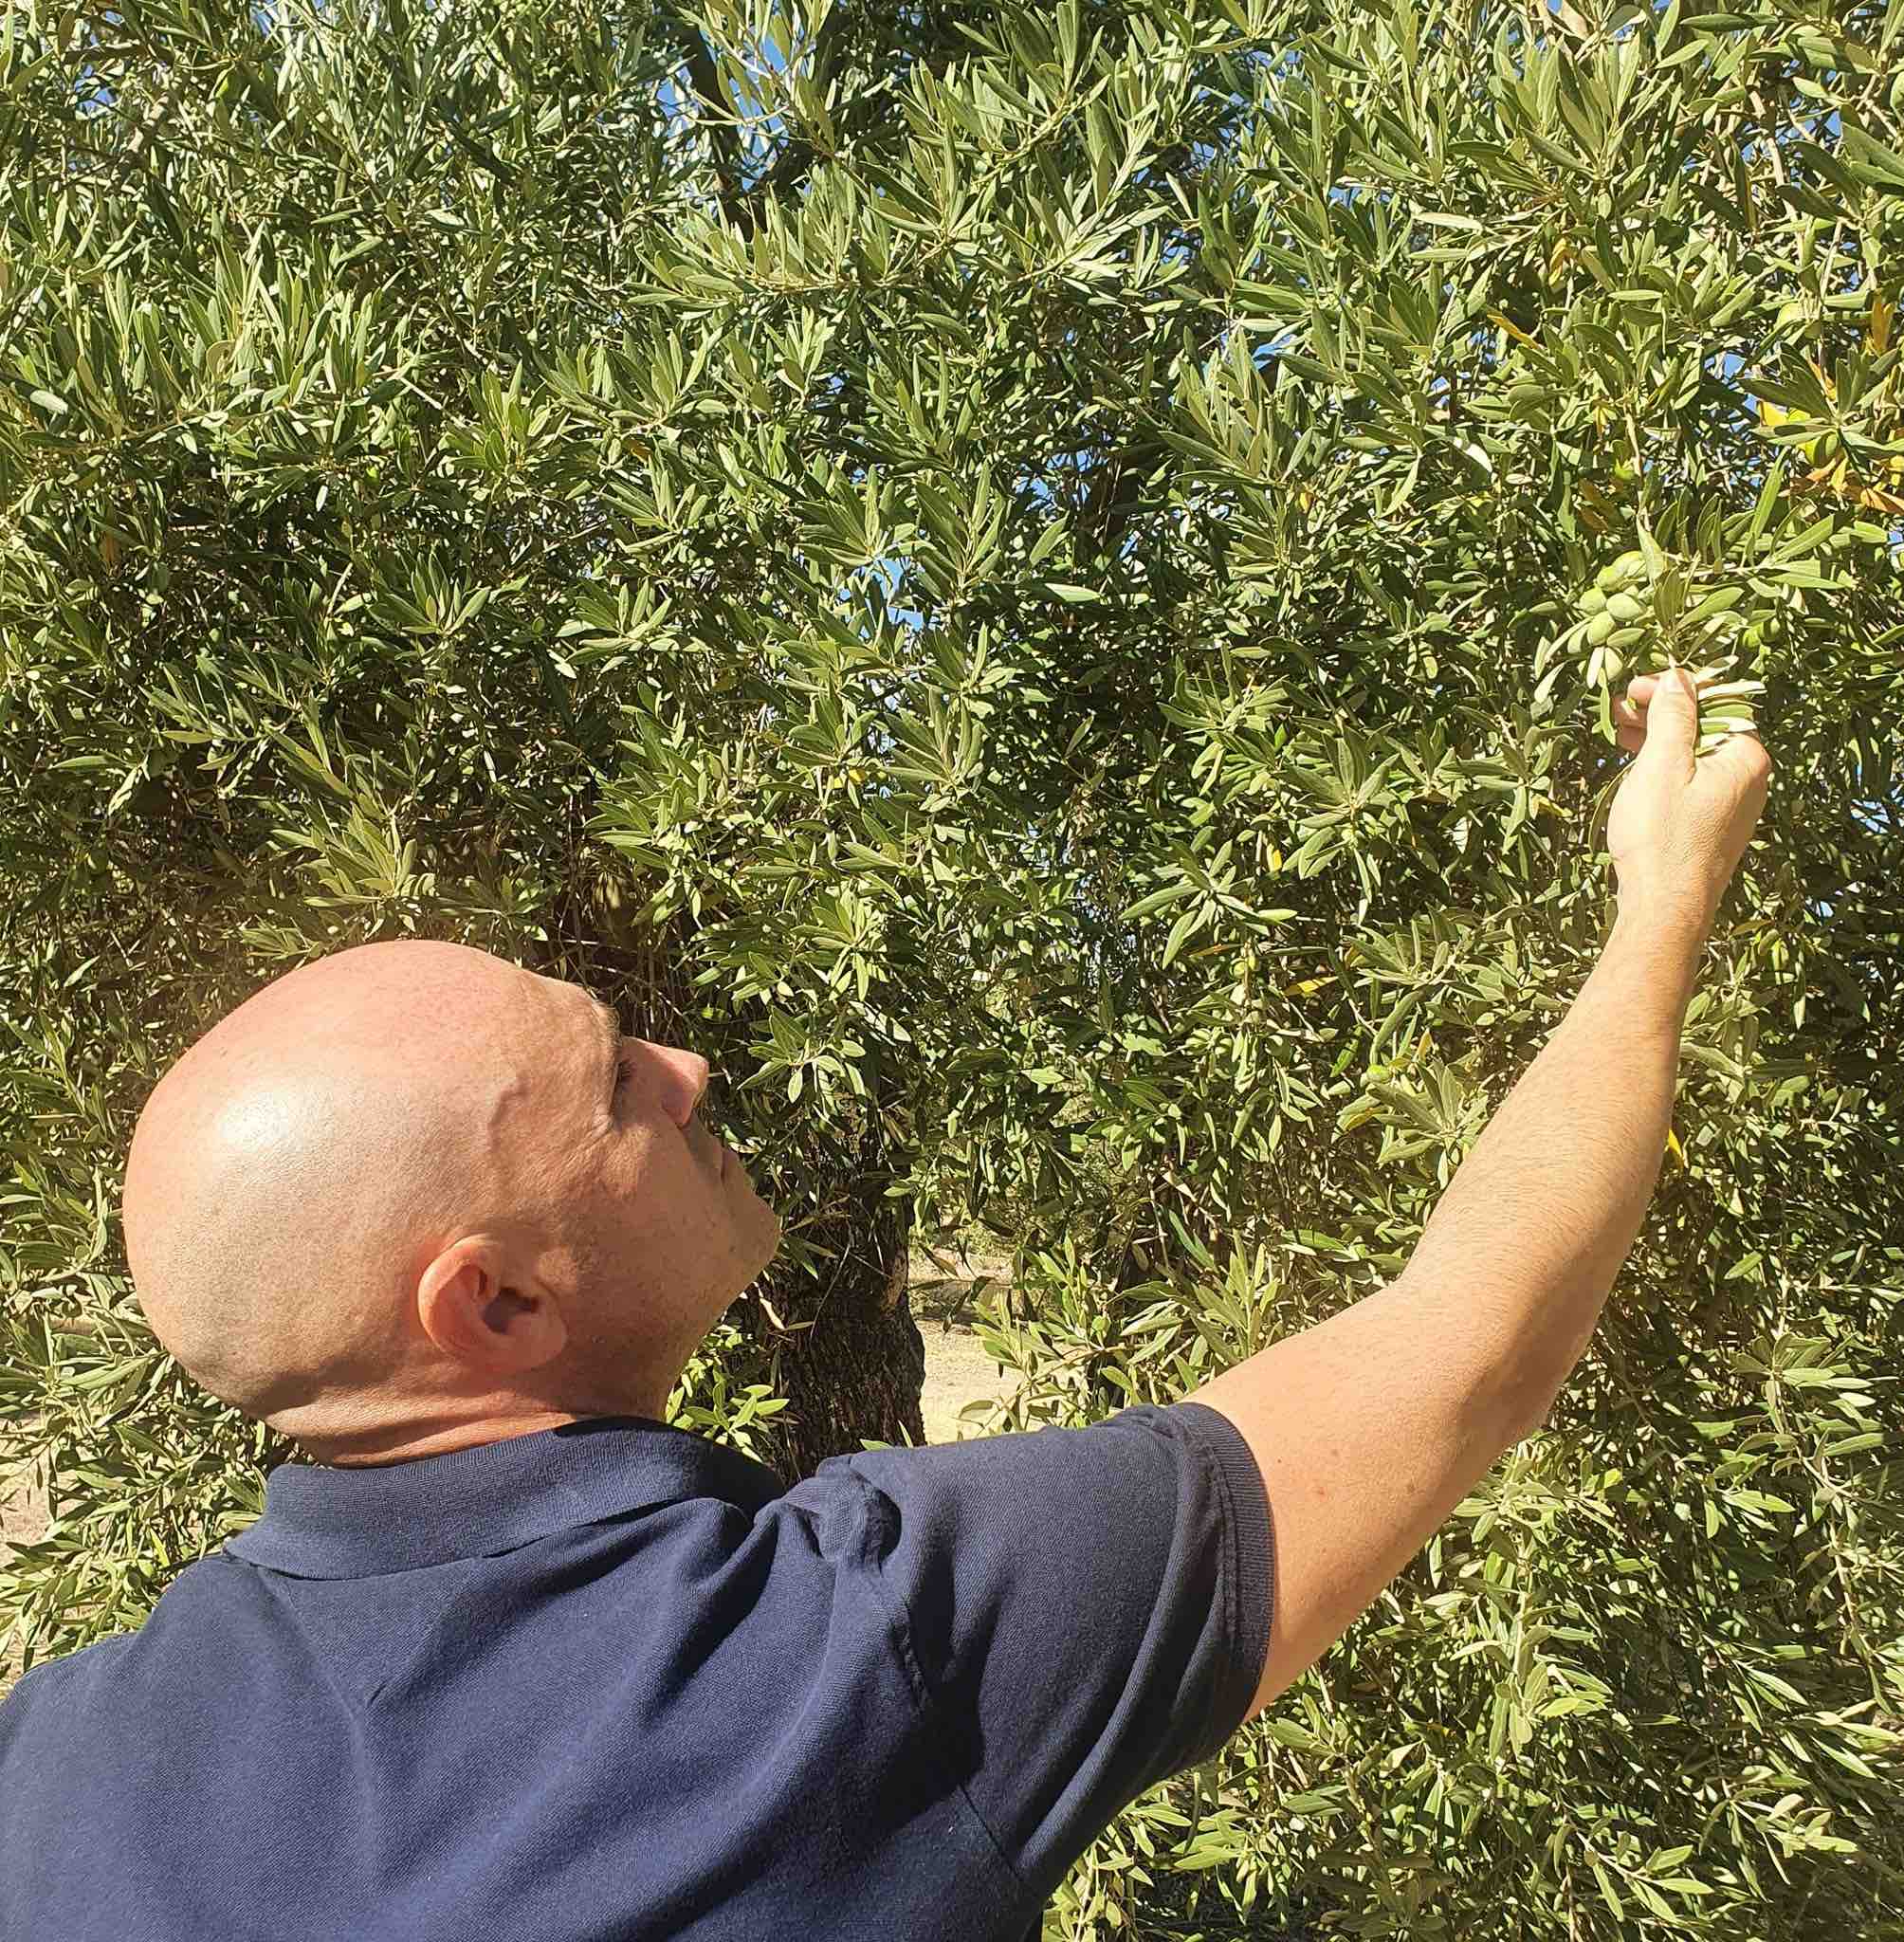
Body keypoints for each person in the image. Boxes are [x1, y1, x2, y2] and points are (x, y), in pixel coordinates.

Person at [0, 669, 1767, 1939]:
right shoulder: (838, 1657)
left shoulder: (40, 1766)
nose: (689, 1067)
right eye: (615, 1085)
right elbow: (1465, 1344)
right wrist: (1659, 909)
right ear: (501, 1308)